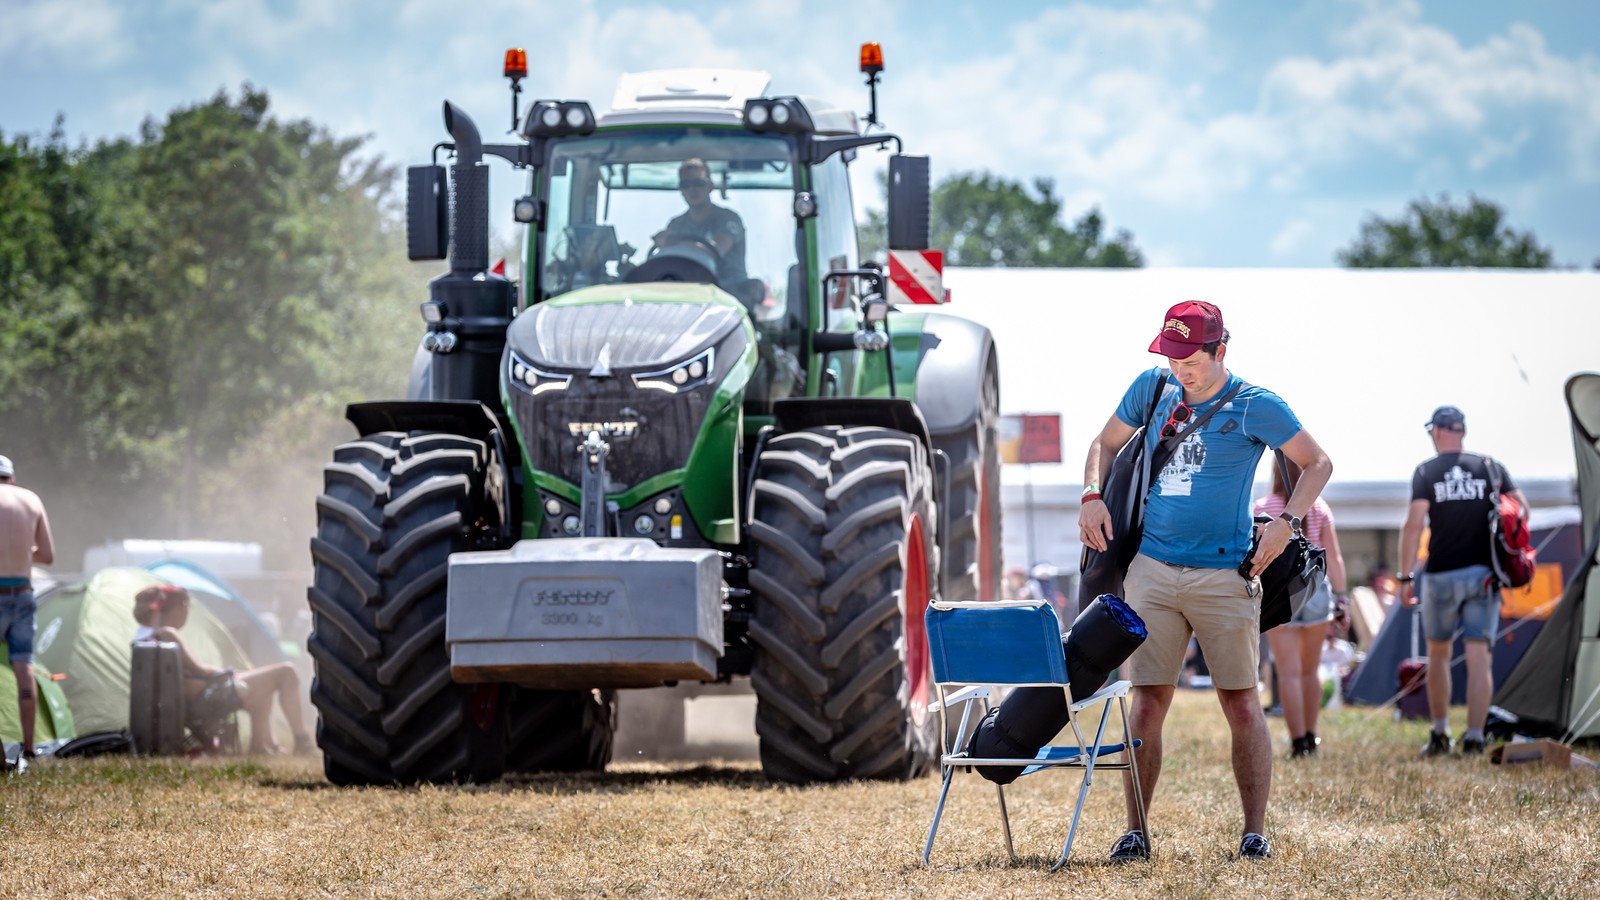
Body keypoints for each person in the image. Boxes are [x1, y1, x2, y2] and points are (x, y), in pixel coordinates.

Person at [1078, 301, 1332, 863]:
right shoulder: (1151, 387)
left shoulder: (1255, 404)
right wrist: (1092, 494)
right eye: (1171, 357)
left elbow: (1317, 463)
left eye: (1190, 359)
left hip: (1225, 575)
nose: (1180, 370)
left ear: (1221, 351)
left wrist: (1287, 525)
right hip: (1151, 570)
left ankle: (1254, 832)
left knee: (1242, 703)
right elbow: (1103, 443)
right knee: (1145, 703)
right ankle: (1136, 833)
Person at [1398, 405, 1524, 758]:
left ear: (1437, 432)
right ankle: (1474, 737)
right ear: (1462, 431)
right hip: (1484, 575)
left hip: (1440, 576)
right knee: (1479, 657)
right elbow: (1520, 509)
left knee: (1438, 655)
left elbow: (1413, 527)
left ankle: (1440, 734)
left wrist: (1406, 576)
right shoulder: (1489, 467)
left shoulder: (1426, 471)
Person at [133, 584, 313, 756]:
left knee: (264, 685)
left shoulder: (144, 636)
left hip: (194, 700)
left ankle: (263, 745)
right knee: (286, 672)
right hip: (206, 699)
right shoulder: (167, 633)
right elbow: (200, 670)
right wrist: (230, 673)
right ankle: (301, 739)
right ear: (179, 608)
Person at [1254, 456, 1348, 758]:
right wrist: (1342, 597)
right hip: (1316, 590)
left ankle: (1297, 743)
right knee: (1310, 672)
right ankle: (1310, 736)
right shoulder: (1319, 507)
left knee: (1289, 673)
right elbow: (1334, 558)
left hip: (1279, 591)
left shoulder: (1263, 507)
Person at [0, 454, 53, 773]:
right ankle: (30, 748)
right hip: (22, 591)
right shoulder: (30, 499)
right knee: (24, 667)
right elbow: (47, 554)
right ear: (12, 478)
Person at [653, 159, 747, 284]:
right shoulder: (676, 224)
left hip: (729, 293)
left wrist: (671, 242)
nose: (692, 189)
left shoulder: (729, 219)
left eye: (698, 183)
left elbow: (715, 250)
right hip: (690, 291)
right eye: (686, 185)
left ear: (710, 186)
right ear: (680, 189)